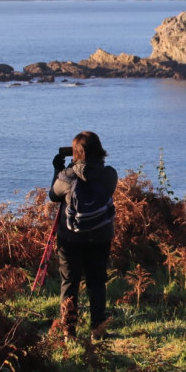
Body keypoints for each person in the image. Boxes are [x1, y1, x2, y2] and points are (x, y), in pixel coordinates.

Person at [48, 131, 118, 341]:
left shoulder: (67, 176)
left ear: (76, 152)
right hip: (100, 235)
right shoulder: (109, 175)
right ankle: (97, 329)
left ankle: (69, 330)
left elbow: (53, 195)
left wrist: (58, 170)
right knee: (97, 281)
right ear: (100, 150)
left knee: (69, 282)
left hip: (70, 238)